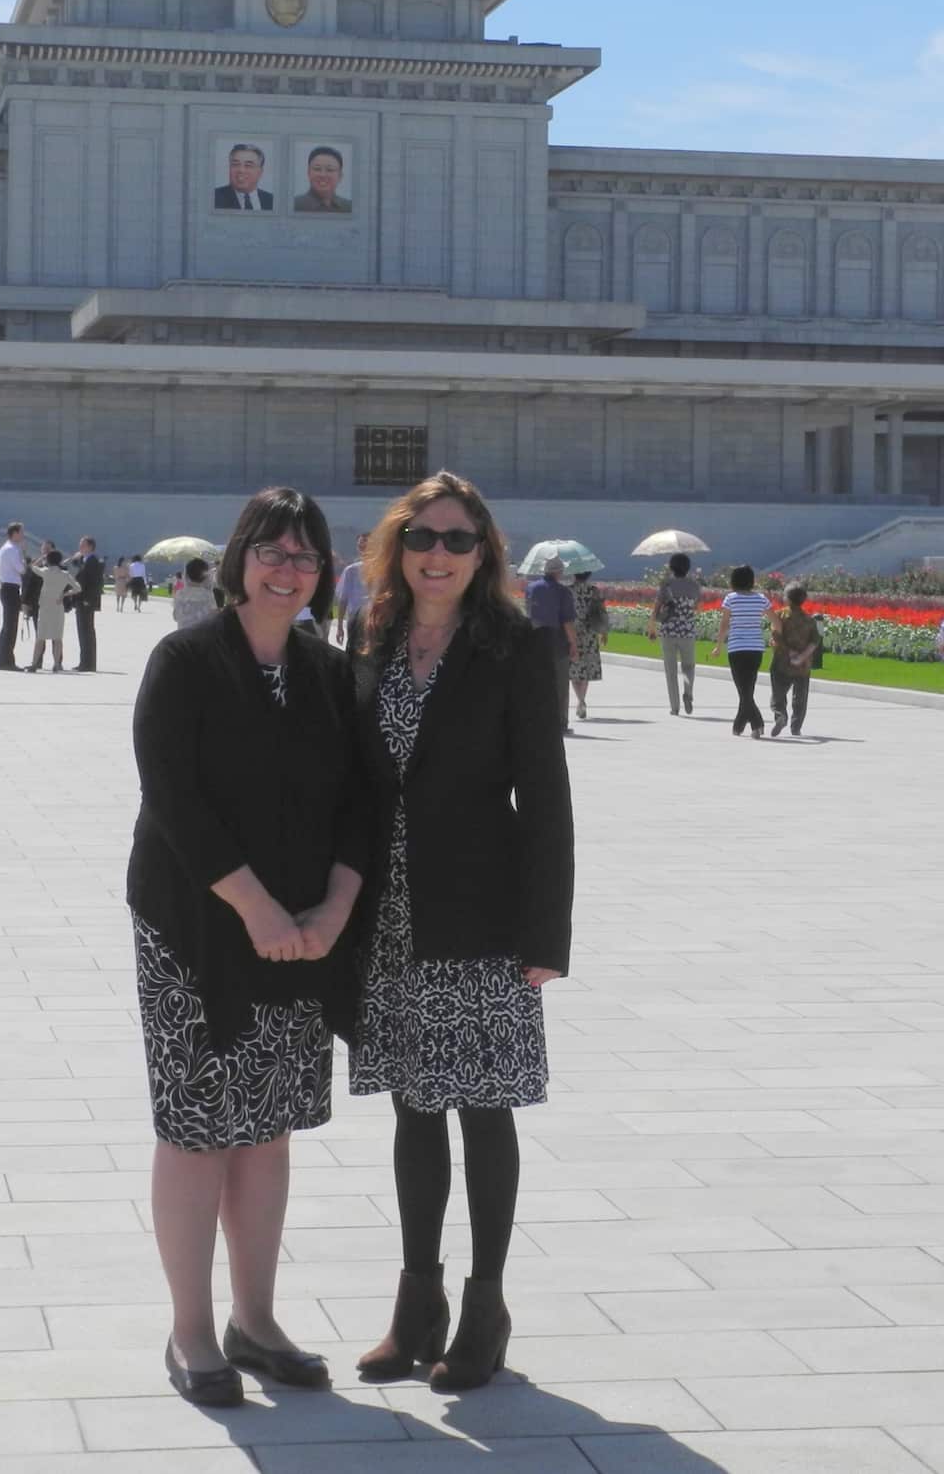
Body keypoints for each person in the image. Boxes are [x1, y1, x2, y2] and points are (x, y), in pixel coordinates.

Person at [127, 487, 366, 1408]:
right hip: (194, 928)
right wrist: (255, 908)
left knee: (266, 1131)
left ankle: (255, 1320)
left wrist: (333, 909)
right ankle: (191, 1331)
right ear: (239, 559)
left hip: (300, 935)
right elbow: (173, 797)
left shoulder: (326, 669)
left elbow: (359, 803)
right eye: (271, 551)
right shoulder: (185, 660)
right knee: (197, 1130)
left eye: (305, 557)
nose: (287, 570)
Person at [349, 471, 573, 1393]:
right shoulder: (372, 637)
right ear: (397, 548)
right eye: (422, 537)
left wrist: (545, 937)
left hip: (481, 915)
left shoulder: (514, 646)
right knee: (412, 1113)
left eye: (457, 539)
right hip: (392, 920)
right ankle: (416, 1306)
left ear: (484, 555)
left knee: (483, 1113)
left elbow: (546, 796)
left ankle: (485, 1308)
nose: (437, 555)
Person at [712, 565, 774, 737]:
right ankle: (739, 725)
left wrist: (719, 646)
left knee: (743, 689)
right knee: (747, 688)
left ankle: (757, 724)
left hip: (737, 648)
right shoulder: (761, 599)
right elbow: (775, 620)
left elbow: (724, 624)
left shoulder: (731, 598)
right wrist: (776, 636)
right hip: (755, 648)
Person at [522, 555, 579, 734]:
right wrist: (574, 644)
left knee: (536, 682)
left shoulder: (531, 588)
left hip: (534, 639)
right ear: (558, 572)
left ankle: (536, 720)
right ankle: (560, 723)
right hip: (556, 641)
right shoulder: (563, 592)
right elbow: (567, 621)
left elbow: (528, 612)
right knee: (560, 684)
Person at [647, 552, 702, 716]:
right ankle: (688, 692)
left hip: (668, 631)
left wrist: (651, 626)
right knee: (688, 667)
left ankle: (675, 706)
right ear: (688, 567)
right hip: (687, 631)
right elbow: (696, 606)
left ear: (671, 567)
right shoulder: (694, 585)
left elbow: (657, 607)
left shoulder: (666, 585)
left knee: (670, 670)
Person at [770, 584, 822, 737]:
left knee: (778, 694)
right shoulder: (809, 620)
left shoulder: (780, 615)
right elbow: (815, 641)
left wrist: (790, 652)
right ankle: (796, 726)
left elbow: (776, 636)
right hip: (803, 666)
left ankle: (780, 716)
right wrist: (802, 656)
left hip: (781, 663)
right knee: (800, 697)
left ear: (787, 599)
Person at [25, 549, 80, 673]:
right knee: (57, 637)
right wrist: (64, 594)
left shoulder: (46, 572)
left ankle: (34, 664)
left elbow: (32, 567)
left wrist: (41, 557)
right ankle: (56, 664)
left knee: (40, 638)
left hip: (44, 607)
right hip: (58, 607)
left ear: (48, 561)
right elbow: (78, 588)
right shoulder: (65, 574)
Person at [569, 571, 607, 720]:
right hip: (590, 632)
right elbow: (602, 612)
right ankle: (582, 700)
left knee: (574, 668)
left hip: (573, 632)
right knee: (586, 668)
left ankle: (580, 700)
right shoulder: (594, 591)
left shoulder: (568, 591)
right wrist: (604, 632)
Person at [0, 522, 26, 671]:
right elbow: (21, 569)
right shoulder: (12, 550)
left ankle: (4, 659)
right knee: (10, 627)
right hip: (11, 589)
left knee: (8, 626)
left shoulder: (6, 548)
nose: (23, 535)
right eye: (21, 532)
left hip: (7, 588)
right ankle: (6, 661)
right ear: (14, 533)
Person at [72, 536, 104, 672]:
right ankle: (84, 661)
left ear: (90, 547)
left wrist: (88, 599)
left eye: (83, 545)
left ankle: (88, 663)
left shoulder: (93, 561)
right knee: (83, 631)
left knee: (87, 631)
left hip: (86, 601)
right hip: (81, 599)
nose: (80, 547)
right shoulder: (85, 560)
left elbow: (94, 583)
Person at [334, 532, 371, 650]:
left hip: (375, 621)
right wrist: (340, 626)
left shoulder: (382, 570)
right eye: (360, 545)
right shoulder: (351, 571)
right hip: (355, 621)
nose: (363, 548)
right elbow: (343, 600)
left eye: (366, 545)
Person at [213, 143, 274, 212]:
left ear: (260, 172)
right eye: (235, 164)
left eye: (248, 165)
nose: (241, 170)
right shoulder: (214, 198)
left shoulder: (271, 200)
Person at [294, 146, 352, 213]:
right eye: (317, 169)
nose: (323, 175)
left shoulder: (349, 207)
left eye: (330, 170)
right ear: (308, 173)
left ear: (340, 176)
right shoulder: (295, 205)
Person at [172, 558, 219, 629]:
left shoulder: (180, 593)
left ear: (186, 574)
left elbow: (175, 617)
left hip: (182, 635)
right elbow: (213, 616)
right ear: (205, 576)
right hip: (202, 635)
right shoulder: (208, 595)